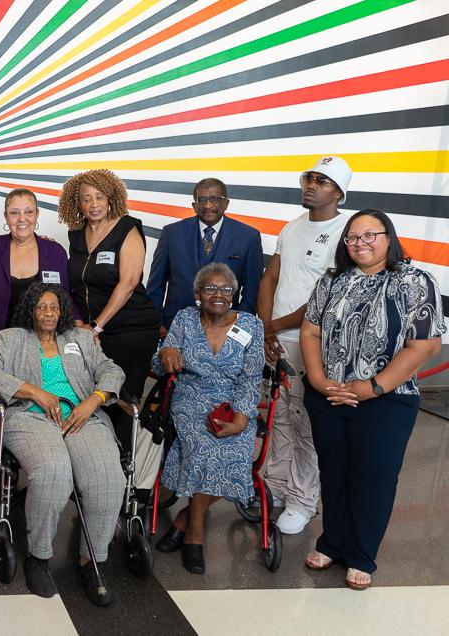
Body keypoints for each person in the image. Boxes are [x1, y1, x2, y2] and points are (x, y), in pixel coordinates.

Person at [300, 210, 444, 591]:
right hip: (328, 395)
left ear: (388, 237)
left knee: (373, 478)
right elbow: (311, 330)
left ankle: (361, 554)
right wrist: (318, 379)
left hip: (386, 401)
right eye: (352, 237)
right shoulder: (332, 280)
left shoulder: (415, 281)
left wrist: (372, 387)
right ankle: (332, 542)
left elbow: (425, 344)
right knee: (333, 471)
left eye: (370, 235)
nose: (360, 243)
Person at [0, 283, 125, 606]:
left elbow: (111, 370)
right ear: (31, 309)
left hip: (80, 417)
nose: (47, 313)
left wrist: (94, 401)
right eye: (41, 307)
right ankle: (39, 558)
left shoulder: (81, 339)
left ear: (62, 312)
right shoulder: (11, 338)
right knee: (54, 472)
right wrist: (34, 392)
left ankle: (92, 561)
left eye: (54, 308)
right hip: (30, 418)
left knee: (109, 478)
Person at [259, 156, 352, 536]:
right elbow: (270, 278)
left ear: (339, 192)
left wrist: (276, 327)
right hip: (275, 340)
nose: (311, 185)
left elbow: (323, 298)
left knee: (306, 424)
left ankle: (302, 500)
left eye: (322, 181)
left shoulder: (347, 231)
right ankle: (276, 489)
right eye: (309, 178)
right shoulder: (291, 226)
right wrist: (266, 331)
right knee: (277, 418)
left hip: (311, 344)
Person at [152, 263, 265, 574]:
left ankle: (184, 520)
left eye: (226, 289)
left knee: (236, 449)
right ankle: (195, 535)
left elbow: (251, 378)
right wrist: (165, 354)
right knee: (203, 447)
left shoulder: (252, 326)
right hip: (191, 397)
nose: (218, 295)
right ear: (197, 294)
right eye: (210, 289)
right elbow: (163, 359)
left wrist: (242, 419)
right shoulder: (185, 319)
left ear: (235, 294)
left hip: (233, 401)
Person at [60, 169, 161, 445]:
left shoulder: (127, 228)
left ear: (110, 199)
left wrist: (98, 326)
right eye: (86, 198)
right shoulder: (76, 236)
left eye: (99, 197)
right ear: (76, 204)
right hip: (91, 334)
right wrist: (85, 324)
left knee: (121, 400)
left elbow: (128, 283)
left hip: (130, 330)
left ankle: (125, 473)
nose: (93, 204)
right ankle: (96, 467)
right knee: (90, 397)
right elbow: (75, 285)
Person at [146, 178, 264, 332]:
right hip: (174, 325)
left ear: (226, 203)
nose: (208, 205)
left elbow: (252, 290)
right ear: (194, 206)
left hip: (225, 328)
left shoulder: (248, 237)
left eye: (215, 198)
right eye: (201, 199)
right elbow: (156, 284)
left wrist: (237, 325)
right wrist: (156, 322)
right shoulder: (171, 233)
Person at [0, 188, 80, 338]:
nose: (22, 218)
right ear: (6, 216)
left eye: (28, 212)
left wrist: (80, 329)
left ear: (37, 214)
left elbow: (67, 298)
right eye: (14, 213)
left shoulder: (55, 252)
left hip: (47, 341)